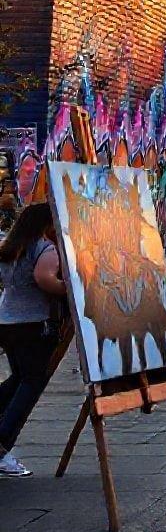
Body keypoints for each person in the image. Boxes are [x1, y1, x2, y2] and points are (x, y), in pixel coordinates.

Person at [0, 203, 66, 477]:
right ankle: (2, 445)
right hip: (32, 324)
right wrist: (72, 288)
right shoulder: (43, 247)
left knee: (19, 378)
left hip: (6, 320)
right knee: (32, 381)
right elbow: (44, 278)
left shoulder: (9, 248)